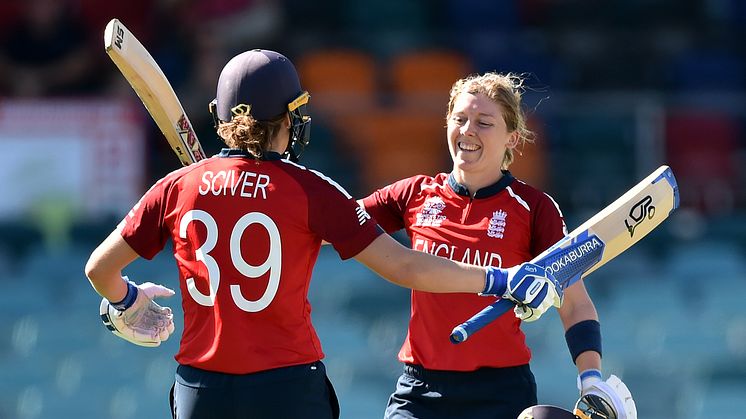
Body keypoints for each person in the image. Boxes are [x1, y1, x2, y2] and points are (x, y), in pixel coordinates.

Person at [84, 50, 563, 419]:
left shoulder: (176, 186)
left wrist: (126, 302)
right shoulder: (309, 189)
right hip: (288, 385)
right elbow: (402, 265)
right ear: (287, 119)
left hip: (199, 387)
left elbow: (99, 269)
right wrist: (499, 281)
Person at [359, 72, 637, 418]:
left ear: (512, 138)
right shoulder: (412, 195)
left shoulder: (534, 208)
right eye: (459, 119)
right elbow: (335, 228)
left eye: (484, 122)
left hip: (501, 393)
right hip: (420, 390)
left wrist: (590, 377)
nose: (468, 130)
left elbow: (575, 304)